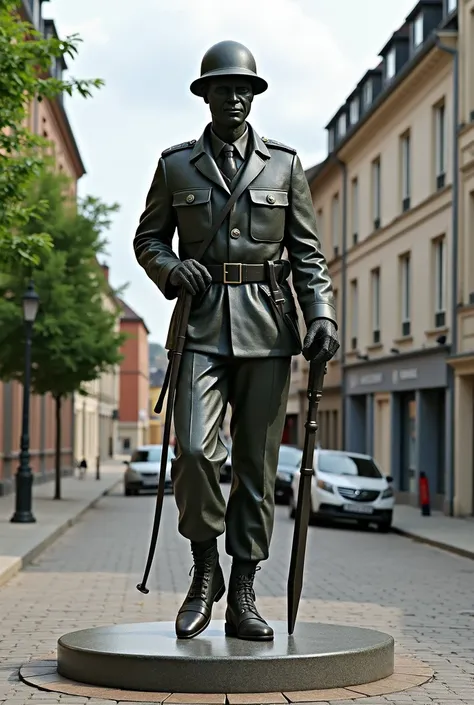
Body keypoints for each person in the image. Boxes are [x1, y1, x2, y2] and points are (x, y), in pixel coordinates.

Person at [134, 40, 339, 641]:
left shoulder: (286, 165)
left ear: (255, 95)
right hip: (199, 324)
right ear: (206, 95)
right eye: (224, 88)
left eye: (245, 88)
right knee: (196, 450)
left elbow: (308, 255)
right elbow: (148, 239)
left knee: (257, 465)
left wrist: (321, 315)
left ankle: (244, 588)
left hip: (270, 327)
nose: (236, 98)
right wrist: (170, 270)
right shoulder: (176, 165)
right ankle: (205, 571)